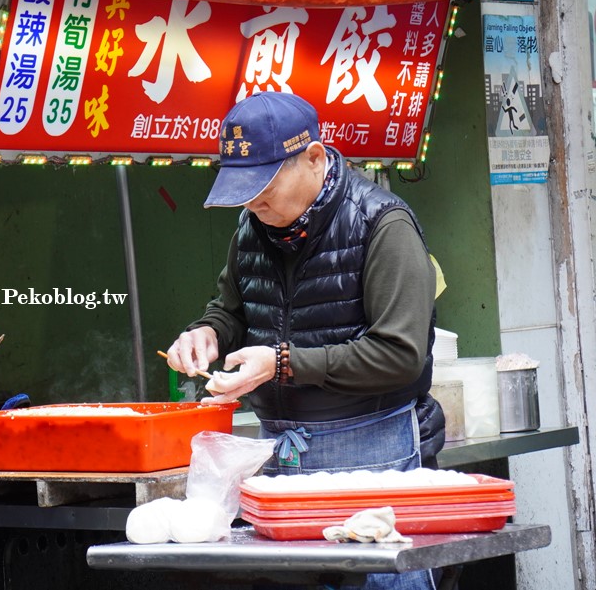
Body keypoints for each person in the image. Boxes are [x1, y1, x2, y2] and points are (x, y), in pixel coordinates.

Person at [165, 92, 443, 590]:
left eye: (265, 185)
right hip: (280, 460)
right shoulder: (252, 226)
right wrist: (205, 333)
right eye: (244, 189)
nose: (254, 201)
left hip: (373, 459)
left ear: (314, 158)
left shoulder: (383, 224)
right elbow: (230, 309)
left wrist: (282, 363)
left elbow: (401, 356)